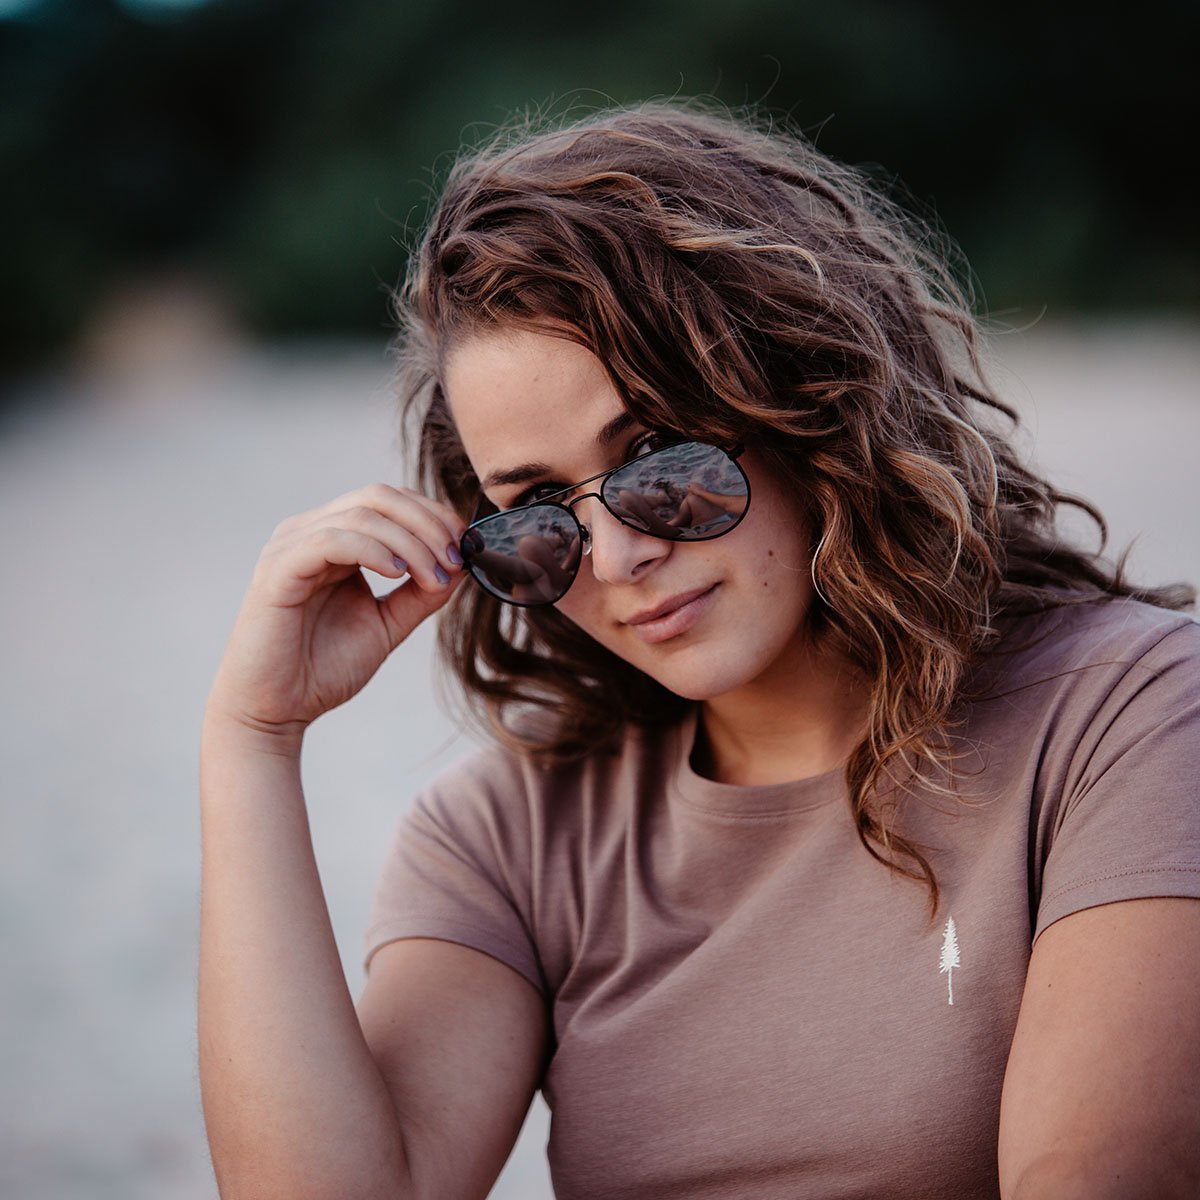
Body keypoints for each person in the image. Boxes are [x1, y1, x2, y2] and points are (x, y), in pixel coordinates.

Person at [198, 102, 1200, 1200]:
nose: (620, 554)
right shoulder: (512, 833)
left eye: (658, 458)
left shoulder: (1127, 717)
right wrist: (253, 741)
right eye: (536, 510)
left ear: (807, 396)